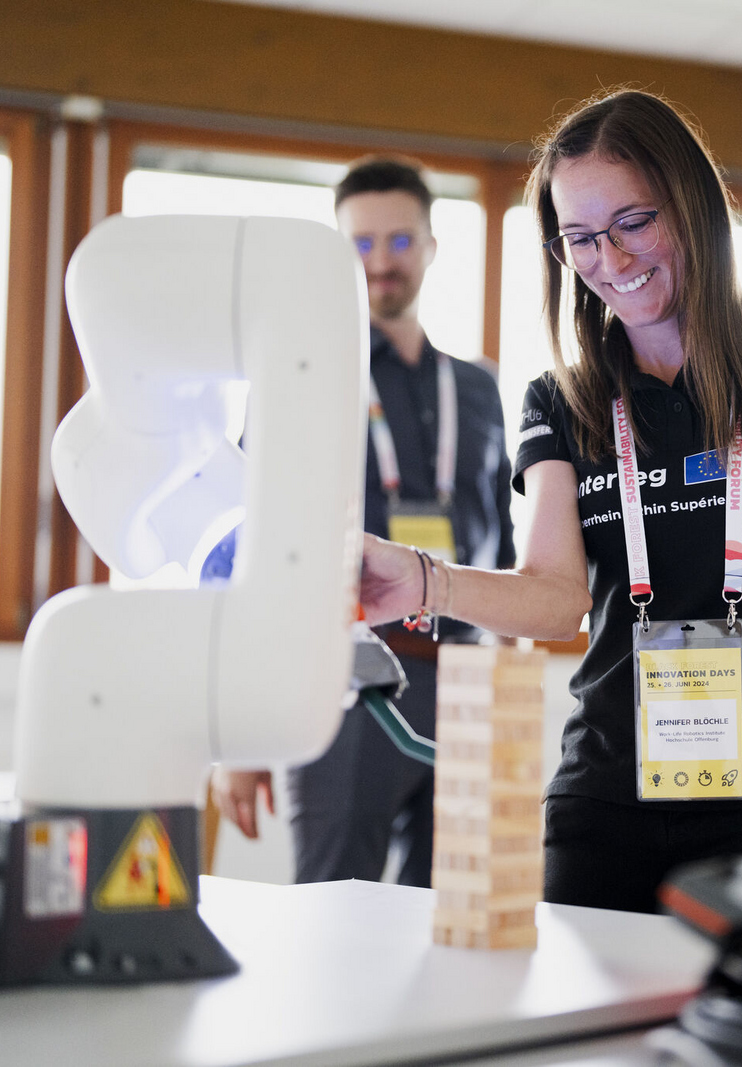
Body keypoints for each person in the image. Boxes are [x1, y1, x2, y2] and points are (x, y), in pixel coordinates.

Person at [358, 90, 742, 913]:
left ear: (691, 206)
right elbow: (556, 595)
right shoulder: (562, 401)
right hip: (607, 807)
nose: (610, 258)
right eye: (581, 237)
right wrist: (420, 580)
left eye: (633, 221)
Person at [215, 156, 515, 886]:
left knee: (453, 917)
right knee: (333, 913)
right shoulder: (301, 377)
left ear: (432, 246)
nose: (382, 262)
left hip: (469, 684)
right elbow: (251, 543)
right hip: (348, 684)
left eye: (401, 241)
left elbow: (503, 541)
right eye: (362, 243)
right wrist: (243, 732)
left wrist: (507, 692)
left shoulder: (478, 388)